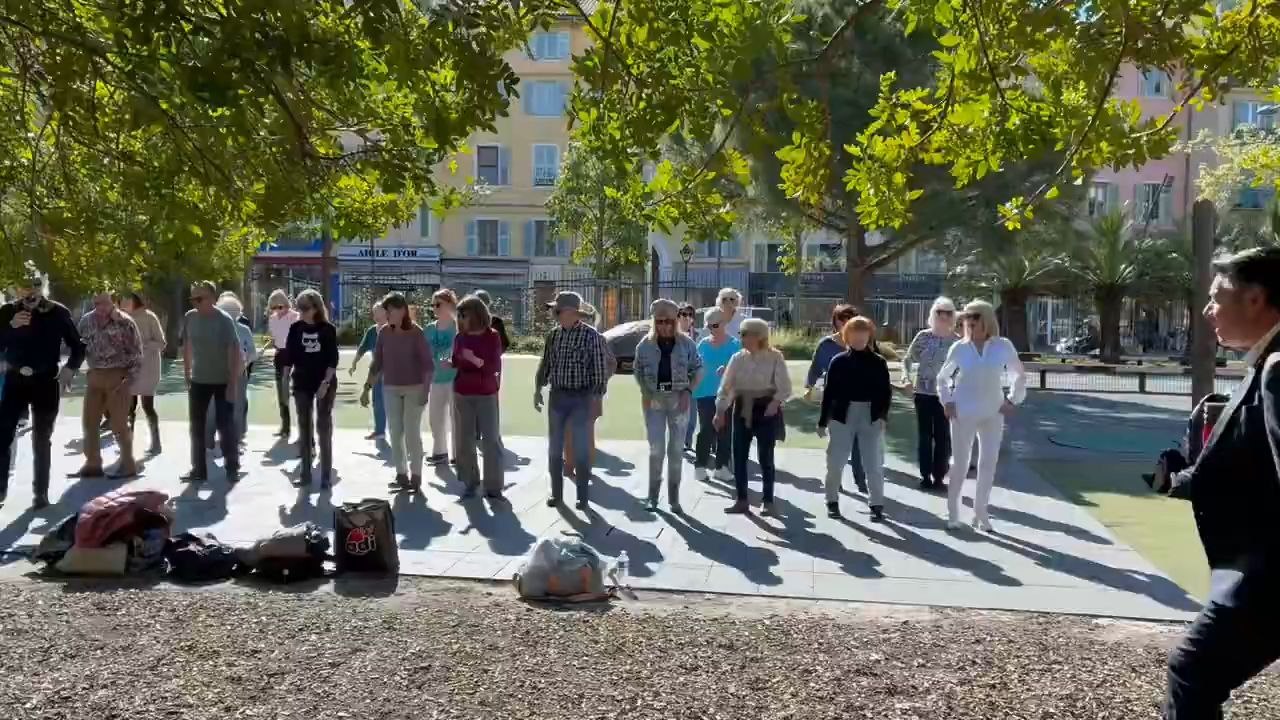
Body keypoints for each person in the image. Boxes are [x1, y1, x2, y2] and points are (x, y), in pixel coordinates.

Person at [1159, 247, 1280, 719]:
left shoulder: (1277, 368)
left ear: (1254, 299)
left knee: (1193, 669)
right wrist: (1182, 478)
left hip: (1268, 578)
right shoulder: (1267, 362)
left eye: (1217, 296)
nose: (1207, 310)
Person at [937, 300, 1026, 532]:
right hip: (963, 412)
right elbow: (942, 378)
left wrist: (1012, 400)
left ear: (986, 321)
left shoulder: (1003, 346)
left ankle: (981, 513)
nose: (970, 325)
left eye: (975, 321)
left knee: (988, 463)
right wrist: (948, 402)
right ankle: (953, 512)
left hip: (993, 413)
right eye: (967, 321)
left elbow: (1019, 374)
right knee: (960, 464)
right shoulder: (959, 348)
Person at [0, 269, 84, 508]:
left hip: (45, 381)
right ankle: (0, 490)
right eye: (25, 286)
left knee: (41, 438)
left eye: (36, 284)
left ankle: (41, 493)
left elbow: (77, 347)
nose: (31, 290)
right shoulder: (7, 312)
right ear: (17, 289)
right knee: (3, 434)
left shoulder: (58, 312)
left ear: (43, 286)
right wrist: (9, 328)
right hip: (15, 381)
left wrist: (70, 368)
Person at [534, 291, 610, 509]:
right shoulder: (554, 335)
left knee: (581, 448)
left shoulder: (591, 336)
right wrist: (538, 388)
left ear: (570, 312)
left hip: (581, 398)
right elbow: (546, 363)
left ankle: (582, 495)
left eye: (557, 310)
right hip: (557, 396)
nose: (554, 314)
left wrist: (596, 399)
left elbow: (599, 371)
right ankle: (556, 494)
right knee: (555, 448)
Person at [715, 318, 791, 515]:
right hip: (742, 407)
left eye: (747, 334)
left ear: (760, 336)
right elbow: (726, 387)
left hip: (766, 409)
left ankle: (768, 500)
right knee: (739, 456)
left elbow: (785, 387)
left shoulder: (775, 357)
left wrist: (775, 403)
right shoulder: (737, 358)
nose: (743, 338)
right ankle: (741, 499)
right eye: (742, 334)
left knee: (766, 457)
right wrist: (720, 411)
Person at [817, 316, 891, 521]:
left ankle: (876, 504)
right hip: (842, 414)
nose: (859, 338)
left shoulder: (878, 362)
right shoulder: (838, 361)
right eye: (854, 334)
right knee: (835, 460)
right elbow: (829, 393)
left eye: (863, 334)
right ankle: (831, 501)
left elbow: (885, 392)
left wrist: (883, 416)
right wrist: (823, 421)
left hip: (870, 414)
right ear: (846, 336)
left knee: (873, 462)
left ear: (869, 336)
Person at [633, 299, 702, 513]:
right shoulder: (644, 345)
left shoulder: (687, 344)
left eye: (669, 321)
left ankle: (674, 498)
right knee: (656, 449)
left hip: (678, 400)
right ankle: (652, 496)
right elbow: (638, 371)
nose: (664, 325)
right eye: (660, 321)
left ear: (675, 322)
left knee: (675, 450)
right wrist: (645, 392)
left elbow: (698, 369)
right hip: (654, 400)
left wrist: (688, 392)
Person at [361, 293, 433, 492]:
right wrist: (367, 388)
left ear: (401, 310)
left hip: (414, 388)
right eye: (385, 311)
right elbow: (377, 363)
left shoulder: (417, 333)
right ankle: (401, 475)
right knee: (395, 432)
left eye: (389, 310)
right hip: (391, 387)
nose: (386, 314)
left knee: (411, 433)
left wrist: (425, 391)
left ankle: (416, 477)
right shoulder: (383, 333)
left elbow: (428, 365)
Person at [71, 291, 143, 480]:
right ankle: (93, 463)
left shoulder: (125, 322)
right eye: (96, 303)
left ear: (113, 301)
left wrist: (130, 379)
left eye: (104, 303)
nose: (99, 308)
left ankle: (128, 464)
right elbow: (78, 346)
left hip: (117, 376)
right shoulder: (87, 321)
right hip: (95, 376)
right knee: (89, 422)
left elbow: (137, 353)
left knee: (119, 423)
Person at [180, 280, 244, 484]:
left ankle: (232, 467)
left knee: (225, 424)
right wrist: (187, 371)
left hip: (222, 379)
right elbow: (188, 344)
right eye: (193, 299)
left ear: (212, 299)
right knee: (196, 425)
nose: (195, 303)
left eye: (200, 298)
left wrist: (233, 384)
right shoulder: (190, 318)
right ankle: (198, 469)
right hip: (199, 379)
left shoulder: (223, 320)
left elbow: (234, 352)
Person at [804, 304, 868, 494]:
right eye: (843, 318)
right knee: (838, 444)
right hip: (835, 401)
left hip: (860, 401)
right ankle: (835, 479)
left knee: (859, 443)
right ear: (836, 322)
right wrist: (809, 386)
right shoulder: (826, 345)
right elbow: (816, 368)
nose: (847, 322)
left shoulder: (865, 344)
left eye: (851, 317)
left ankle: (860, 479)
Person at [902, 297, 960, 491]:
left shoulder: (958, 342)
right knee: (925, 435)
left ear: (953, 316)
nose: (943, 316)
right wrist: (906, 379)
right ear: (933, 315)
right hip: (923, 393)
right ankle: (925, 475)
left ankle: (939, 477)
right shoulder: (923, 337)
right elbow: (907, 359)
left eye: (948, 313)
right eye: (939, 312)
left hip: (947, 398)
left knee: (943, 436)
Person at [452, 294, 504, 498]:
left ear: (476, 314)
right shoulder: (460, 337)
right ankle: (469, 481)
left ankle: (493, 486)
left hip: (486, 393)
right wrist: (455, 361)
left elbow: (492, 366)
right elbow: (456, 360)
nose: (460, 318)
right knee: (465, 440)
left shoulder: (492, 336)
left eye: (464, 314)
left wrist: (474, 360)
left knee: (490, 439)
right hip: (462, 392)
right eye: (459, 314)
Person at [287, 289, 339, 489]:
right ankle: (305, 473)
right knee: (304, 427)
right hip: (301, 383)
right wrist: (284, 378)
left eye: (306, 308)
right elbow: (290, 357)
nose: (302, 312)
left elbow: (332, 360)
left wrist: (325, 383)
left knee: (323, 427)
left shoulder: (327, 329)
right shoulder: (295, 329)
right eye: (299, 308)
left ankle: (326, 476)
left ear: (316, 308)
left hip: (323, 381)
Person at [563, 302, 612, 477]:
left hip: (589, 393)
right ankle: (570, 466)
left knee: (583, 432)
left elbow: (609, 363)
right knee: (573, 430)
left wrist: (599, 385)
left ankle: (580, 468)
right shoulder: (566, 335)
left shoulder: (596, 338)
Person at [693, 308, 739, 482]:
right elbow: (694, 366)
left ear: (724, 324)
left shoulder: (734, 344)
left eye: (715, 325)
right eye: (709, 326)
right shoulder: (703, 344)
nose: (712, 329)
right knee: (706, 429)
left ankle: (721, 467)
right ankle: (700, 466)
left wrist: (727, 371)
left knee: (725, 431)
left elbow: (741, 369)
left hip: (726, 394)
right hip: (704, 393)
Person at [205, 294, 256, 450]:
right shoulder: (241, 329)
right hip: (233, 374)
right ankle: (234, 438)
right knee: (235, 406)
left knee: (215, 407)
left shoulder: (214, 328)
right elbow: (252, 353)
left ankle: (211, 438)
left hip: (222, 374)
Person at [122, 292, 166, 456]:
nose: (122, 302)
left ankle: (156, 442)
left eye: (125, 298)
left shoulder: (150, 317)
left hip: (148, 368)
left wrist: (143, 345)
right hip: (129, 369)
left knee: (148, 406)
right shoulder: (122, 318)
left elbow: (161, 343)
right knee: (128, 407)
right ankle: (127, 444)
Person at [425, 289, 458, 465]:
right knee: (435, 418)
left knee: (456, 418)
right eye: (433, 305)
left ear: (449, 304)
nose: (434, 308)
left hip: (455, 379)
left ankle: (457, 455)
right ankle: (440, 452)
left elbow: (456, 350)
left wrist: (444, 358)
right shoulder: (429, 329)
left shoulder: (457, 326)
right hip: (435, 379)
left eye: (438, 304)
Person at [262, 290, 299, 438]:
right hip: (280, 355)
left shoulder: (295, 317)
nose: (277, 311)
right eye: (273, 308)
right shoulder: (272, 319)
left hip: (294, 355)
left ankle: (303, 427)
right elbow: (274, 338)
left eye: (280, 307)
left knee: (297, 392)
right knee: (281, 392)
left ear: (286, 304)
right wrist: (268, 344)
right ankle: (285, 426)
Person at [349, 303, 388, 440]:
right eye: (374, 312)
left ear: (386, 313)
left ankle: (401, 433)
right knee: (377, 401)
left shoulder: (393, 329)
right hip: (376, 371)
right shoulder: (372, 331)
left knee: (393, 402)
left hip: (393, 372)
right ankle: (380, 431)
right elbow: (362, 347)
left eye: (379, 312)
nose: (376, 316)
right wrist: (354, 362)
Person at [678, 302, 700, 450]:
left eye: (690, 315)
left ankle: (687, 442)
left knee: (692, 417)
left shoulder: (698, 335)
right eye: (684, 314)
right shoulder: (673, 335)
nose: (687, 318)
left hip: (694, 381)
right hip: (677, 381)